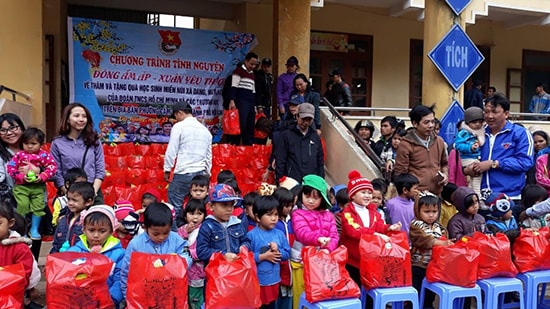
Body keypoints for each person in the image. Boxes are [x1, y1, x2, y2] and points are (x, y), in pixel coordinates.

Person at [339, 170, 402, 287]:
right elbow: (353, 231)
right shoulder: (348, 211)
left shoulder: (372, 210)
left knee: (370, 289)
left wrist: (389, 228)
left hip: (369, 257)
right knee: (354, 289)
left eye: (369, 192)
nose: (368, 196)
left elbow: (379, 226)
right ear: (352, 195)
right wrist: (375, 235)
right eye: (363, 192)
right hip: (352, 260)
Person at [470, 95, 534, 208]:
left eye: (494, 112)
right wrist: (468, 168)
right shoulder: (478, 133)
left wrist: (494, 163)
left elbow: (525, 162)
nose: (489, 116)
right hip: (479, 200)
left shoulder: (520, 133)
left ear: (506, 114)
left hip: (509, 198)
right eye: (486, 112)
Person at [120, 202, 193, 298]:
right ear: (145, 228)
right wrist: (127, 296)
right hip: (144, 292)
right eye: (155, 234)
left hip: (170, 291)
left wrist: (175, 262)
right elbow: (126, 271)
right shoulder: (135, 244)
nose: (161, 237)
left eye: (166, 233)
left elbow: (187, 255)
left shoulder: (176, 239)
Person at [290, 174, 338, 309]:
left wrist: (327, 249)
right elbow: (301, 233)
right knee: (302, 297)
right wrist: (318, 239)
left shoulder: (328, 215)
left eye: (315, 198)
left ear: (322, 199)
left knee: (320, 297)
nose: (310, 201)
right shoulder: (297, 213)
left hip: (323, 262)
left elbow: (334, 235)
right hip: (301, 261)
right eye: (307, 196)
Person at [164, 101, 212, 229]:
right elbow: (208, 156)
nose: (175, 120)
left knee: (175, 205)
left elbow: (172, 150)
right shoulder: (205, 130)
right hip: (201, 173)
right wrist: (207, 174)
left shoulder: (179, 127)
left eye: (175, 116)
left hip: (183, 172)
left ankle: (175, 235)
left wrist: (167, 169)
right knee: (200, 206)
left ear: (179, 113)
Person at [67, 205, 125, 306]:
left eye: (102, 231)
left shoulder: (119, 254)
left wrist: (111, 298)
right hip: (78, 302)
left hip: (107, 302)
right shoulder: (73, 253)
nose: (96, 235)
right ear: (84, 229)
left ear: (111, 231)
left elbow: (120, 280)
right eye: (91, 230)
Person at [7, 128, 57, 240]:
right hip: (21, 187)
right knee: (22, 206)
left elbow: (52, 167)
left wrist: (42, 176)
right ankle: (22, 229)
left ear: (40, 144)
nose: (29, 146)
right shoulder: (19, 155)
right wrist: (21, 176)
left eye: (33, 143)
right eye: (26, 143)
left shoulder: (44, 155)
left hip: (38, 187)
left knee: (38, 207)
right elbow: (10, 168)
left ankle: (34, 229)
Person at [51, 103, 106, 204]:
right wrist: (69, 194)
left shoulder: (94, 140)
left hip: (92, 190)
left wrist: (92, 193)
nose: (81, 119)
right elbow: (56, 172)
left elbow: (100, 170)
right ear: (67, 119)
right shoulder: (57, 143)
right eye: (76, 116)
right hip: (70, 193)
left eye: (84, 116)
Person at [409, 191, 453, 309]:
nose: (431, 215)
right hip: (418, 265)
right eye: (426, 211)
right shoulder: (416, 225)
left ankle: (428, 305)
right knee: (416, 290)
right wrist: (439, 243)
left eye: (434, 211)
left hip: (434, 265)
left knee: (430, 292)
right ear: (418, 211)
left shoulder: (439, 227)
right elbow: (422, 239)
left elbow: (445, 240)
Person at [394, 105, 449, 195]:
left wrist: (445, 175)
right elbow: (401, 174)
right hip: (417, 196)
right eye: (426, 122)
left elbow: (444, 164)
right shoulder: (406, 144)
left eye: (432, 121)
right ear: (415, 123)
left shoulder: (439, 141)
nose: (431, 125)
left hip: (436, 194)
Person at [248, 195, 291, 309]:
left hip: (274, 281)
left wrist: (278, 251)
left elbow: (287, 253)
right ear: (257, 217)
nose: (273, 218)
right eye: (269, 214)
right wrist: (263, 257)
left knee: (272, 305)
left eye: (276, 214)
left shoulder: (279, 234)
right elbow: (246, 258)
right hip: (257, 283)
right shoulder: (251, 235)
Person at [196, 184, 251, 263]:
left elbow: (246, 240)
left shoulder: (237, 223)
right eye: (224, 205)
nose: (229, 209)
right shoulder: (207, 226)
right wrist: (222, 255)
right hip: (216, 270)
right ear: (211, 206)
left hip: (236, 267)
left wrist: (244, 247)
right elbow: (201, 251)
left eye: (231, 205)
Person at [274, 103, 325, 183]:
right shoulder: (286, 135)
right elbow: (280, 160)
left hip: (311, 183)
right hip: (291, 182)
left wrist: (321, 182)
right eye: (303, 119)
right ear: (297, 116)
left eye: (309, 120)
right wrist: (279, 180)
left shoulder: (315, 137)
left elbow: (320, 162)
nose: (306, 122)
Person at [177, 199, 207, 309]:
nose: (195, 217)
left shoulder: (204, 230)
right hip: (183, 272)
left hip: (197, 272)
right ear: (185, 216)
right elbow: (177, 245)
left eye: (199, 214)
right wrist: (186, 232)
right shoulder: (182, 230)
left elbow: (202, 251)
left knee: (196, 298)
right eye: (191, 213)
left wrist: (189, 254)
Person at [50, 182, 95, 253]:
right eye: (69, 199)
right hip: (61, 261)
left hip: (80, 261)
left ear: (88, 202)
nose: (70, 203)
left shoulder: (90, 222)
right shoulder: (63, 220)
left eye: (74, 200)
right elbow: (55, 244)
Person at [228, 52, 259, 145]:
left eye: (255, 64)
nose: (253, 66)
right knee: (242, 124)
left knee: (250, 125)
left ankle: (248, 146)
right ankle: (237, 146)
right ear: (246, 61)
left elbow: (253, 91)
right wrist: (232, 100)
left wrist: (255, 106)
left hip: (250, 102)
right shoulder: (238, 71)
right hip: (241, 101)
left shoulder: (252, 74)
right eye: (251, 63)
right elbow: (233, 87)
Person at [454, 107, 485, 199]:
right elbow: (457, 145)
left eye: (480, 122)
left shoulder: (481, 131)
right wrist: (470, 148)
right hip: (468, 158)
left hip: (475, 157)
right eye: (474, 122)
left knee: (472, 180)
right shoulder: (464, 133)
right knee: (477, 175)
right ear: (468, 123)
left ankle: (471, 197)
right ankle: (478, 198)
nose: (478, 124)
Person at [273, 187, 295, 309]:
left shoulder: (292, 220)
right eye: (286, 206)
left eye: (291, 205)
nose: (289, 209)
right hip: (278, 263)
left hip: (290, 263)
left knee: (288, 299)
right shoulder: (273, 223)